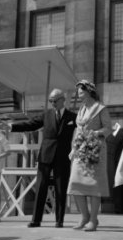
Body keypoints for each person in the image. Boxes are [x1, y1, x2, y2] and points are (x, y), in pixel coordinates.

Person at [10, 88, 76, 228]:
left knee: (60, 188)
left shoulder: (72, 117)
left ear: (63, 100)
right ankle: (36, 220)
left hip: (63, 157)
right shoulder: (46, 115)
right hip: (46, 155)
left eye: (55, 100)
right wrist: (11, 127)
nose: (52, 103)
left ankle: (59, 220)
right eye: (50, 101)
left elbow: (85, 127)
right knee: (41, 187)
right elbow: (31, 125)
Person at [67, 79, 112, 231]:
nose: (79, 94)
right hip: (80, 149)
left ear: (89, 91)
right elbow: (78, 131)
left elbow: (108, 128)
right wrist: (73, 148)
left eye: (81, 91)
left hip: (95, 150)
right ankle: (84, 217)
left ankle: (93, 219)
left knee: (94, 185)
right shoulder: (81, 110)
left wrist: (96, 133)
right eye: (78, 91)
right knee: (75, 183)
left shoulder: (101, 108)